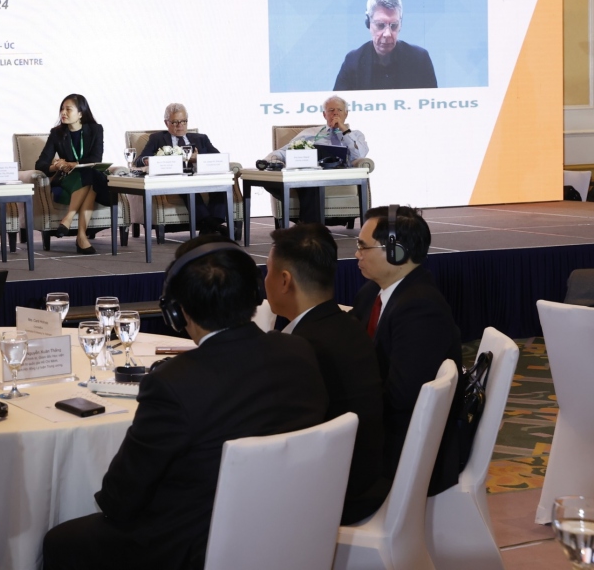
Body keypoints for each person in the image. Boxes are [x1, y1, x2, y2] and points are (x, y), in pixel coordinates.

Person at [42, 235, 328, 570]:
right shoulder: (299, 351)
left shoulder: (173, 383)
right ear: (253, 294)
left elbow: (119, 499)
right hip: (290, 527)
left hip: (192, 547)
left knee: (60, 541)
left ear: (177, 312)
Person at [265, 223, 388, 524]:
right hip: (367, 478)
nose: (264, 281)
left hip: (335, 497)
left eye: (267, 272)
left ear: (284, 281)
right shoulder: (348, 326)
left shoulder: (302, 349)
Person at [350, 206, 462, 495]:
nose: (357, 254)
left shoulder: (420, 309)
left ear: (396, 252)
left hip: (404, 450)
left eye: (363, 246)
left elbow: (402, 397)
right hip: (386, 433)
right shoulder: (372, 293)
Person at [263, 95, 369, 225]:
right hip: (312, 174)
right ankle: (310, 226)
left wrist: (344, 130)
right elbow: (285, 151)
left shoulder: (356, 135)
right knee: (277, 179)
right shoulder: (311, 133)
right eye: (331, 110)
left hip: (341, 175)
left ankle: (309, 227)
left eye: (339, 110)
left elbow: (359, 155)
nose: (335, 113)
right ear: (324, 115)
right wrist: (268, 161)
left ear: (346, 114)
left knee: (310, 183)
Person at [34, 94, 114, 255]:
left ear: (80, 113)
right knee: (90, 181)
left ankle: (69, 219)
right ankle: (81, 237)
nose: (63, 113)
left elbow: (96, 158)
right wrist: (57, 166)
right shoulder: (56, 133)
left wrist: (75, 164)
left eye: (68, 109)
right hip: (67, 180)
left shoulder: (95, 130)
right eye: (62, 109)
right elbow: (40, 164)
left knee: (89, 176)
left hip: (89, 177)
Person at [134, 102, 229, 235]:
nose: (180, 125)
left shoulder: (201, 138)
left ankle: (209, 227)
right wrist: (150, 160)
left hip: (201, 179)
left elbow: (218, 158)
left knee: (221, 187)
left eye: (183, 121)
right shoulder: (157, 139)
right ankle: (215, 226)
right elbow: (139, 160)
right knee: (187, 188)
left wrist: (198, 158)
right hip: (176, 181)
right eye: (175, 122)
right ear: (166, 123)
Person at [334, 0, 437, 91]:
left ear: (401, 24)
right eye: (380, 25)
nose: (387, 34)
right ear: (368, 23)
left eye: (394, 25)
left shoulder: (420, 59)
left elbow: (434, 100)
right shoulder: (352, 62)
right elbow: (335, 102)